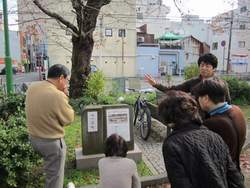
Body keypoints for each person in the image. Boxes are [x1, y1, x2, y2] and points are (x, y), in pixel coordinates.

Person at [158, 90, 244, 188]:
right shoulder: (215, 136)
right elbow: (233, 176)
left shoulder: (172, 144)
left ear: (167, 116)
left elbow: (180, 183)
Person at [25, 64, 74, 188]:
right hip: (51, 143)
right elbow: (68, 119)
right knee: (54, 179)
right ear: (61, 78)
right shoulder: (57, 95)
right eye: (67, 80)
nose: (66, 84)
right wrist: (64, 95)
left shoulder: (33, 86)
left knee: (50, 175)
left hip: (34, 138)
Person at [144, 53, 231, 120]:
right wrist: (156, 84)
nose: (204, 68)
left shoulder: (220, 84)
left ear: (214, 68)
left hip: (214, 120)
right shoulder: (193, 82)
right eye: (202, 65)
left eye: (207, 66)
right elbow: (174, 89)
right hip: (196, 120)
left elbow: (227, 103)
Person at [195, 77, 247, 168]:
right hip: (234, 168)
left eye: (199, 97)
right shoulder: (237, 110)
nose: (198, 100)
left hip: (221, 174)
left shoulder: (213, 123)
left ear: (206, 98)